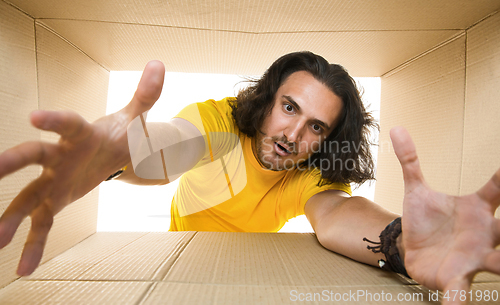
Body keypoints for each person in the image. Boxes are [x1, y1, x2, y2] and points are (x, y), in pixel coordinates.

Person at [0, 52, 498, 304]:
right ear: (268, 98)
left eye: (315, 127)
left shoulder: (309, 174)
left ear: (325, 140)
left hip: (247, 279)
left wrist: (406, 242)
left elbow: (338, 215)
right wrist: (110, 156)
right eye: (288, 107)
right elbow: (170, 149)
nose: (292, 133)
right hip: (185, 269)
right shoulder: (219, 123)